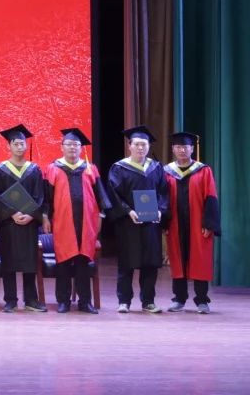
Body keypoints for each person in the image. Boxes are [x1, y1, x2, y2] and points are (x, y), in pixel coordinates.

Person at [45, 128, 111, 314]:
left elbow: (100, 195)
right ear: (62, 147)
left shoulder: (90, 168)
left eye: (76, 145)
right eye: (69, 144)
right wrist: (45, 217)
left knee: (83, 262)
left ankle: (85, 302)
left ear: (81, 148)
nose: (72, 148)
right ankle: (63, 301)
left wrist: (101, 216)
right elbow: (47, 197)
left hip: (86, 223)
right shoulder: (53, 168)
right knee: (63, 262)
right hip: (62, 222)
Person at [107, 126, 169, 313]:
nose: (141, 148)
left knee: (150, 264)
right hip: (128, 223)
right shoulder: (119, 168)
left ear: (149, 146)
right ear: (129, 146)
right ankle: (124, 301)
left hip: (151, 223)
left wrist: (161, 210)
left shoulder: (156, 168)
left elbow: (164, 192)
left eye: (144, 144)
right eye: (137, 144)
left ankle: (148, 301)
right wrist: (128, 211)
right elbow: (113, 194)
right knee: (126, 263)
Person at [0, 124, 47, 313]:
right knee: (9, 261)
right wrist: (12, 213)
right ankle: (10, 300)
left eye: (22, 143)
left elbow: (40, 196)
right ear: (9, 146)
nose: (20, 147)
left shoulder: (34, 170)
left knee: (30, 263)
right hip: (8, 224)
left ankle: (31, 300)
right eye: (16, 144)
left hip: (29, 224)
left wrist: (31, 215)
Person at [163, 132, 220, 314]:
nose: (182, 150)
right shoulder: (166, 172)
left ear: (192, 149)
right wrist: (164, 223)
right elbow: (162, 199)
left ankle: (202, 300)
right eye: (178, 147)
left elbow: (211, 196)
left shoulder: (203, 170)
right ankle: (179, 299)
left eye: (185, 147)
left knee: (200, 260)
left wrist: (209, 224)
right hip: (175, 224)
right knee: (177, 261)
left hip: (198, 224)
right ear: (173, 149)